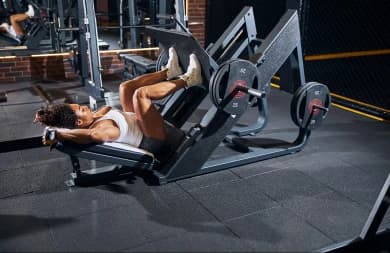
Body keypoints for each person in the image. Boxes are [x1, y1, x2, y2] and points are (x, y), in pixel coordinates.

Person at [33, 47, 203, 155]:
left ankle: (168, 72)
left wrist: (53, 125)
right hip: (153, 140)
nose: (85, 107)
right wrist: (59, 134)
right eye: (82, 110)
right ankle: (189, 79)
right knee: (140, 95)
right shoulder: (102, 130)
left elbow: (105, 109)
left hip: (137, 124)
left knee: (125, 88)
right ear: (79, 122)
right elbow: (93, 134)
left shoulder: (93, 119)